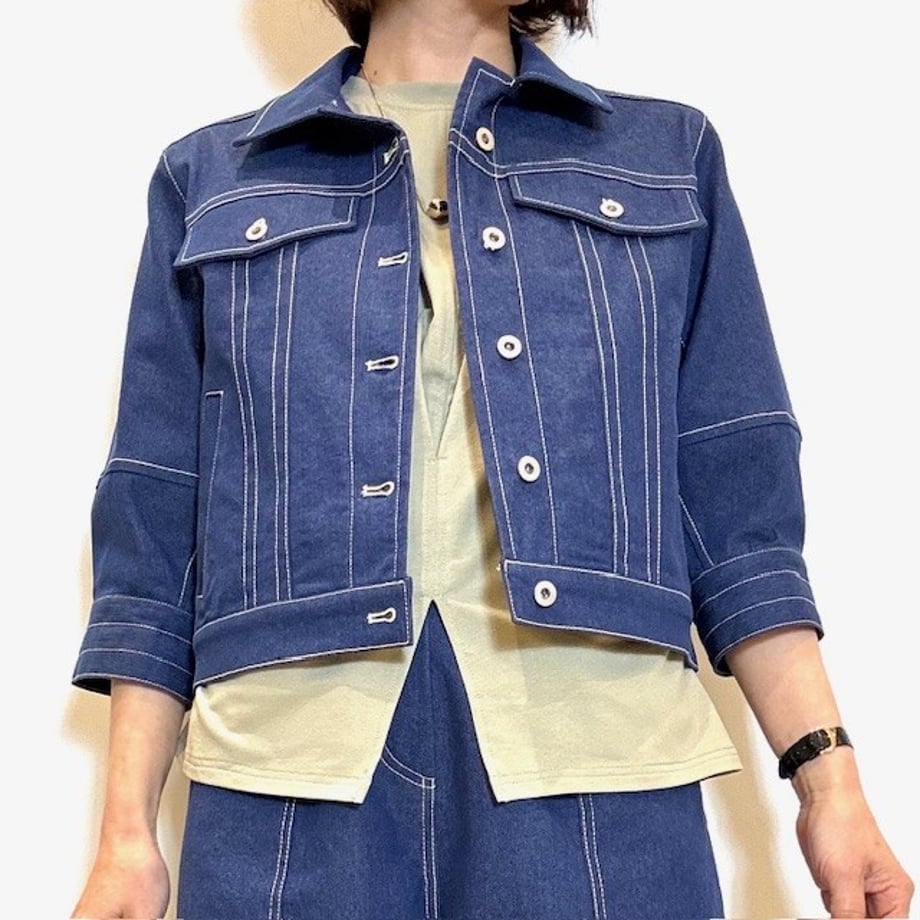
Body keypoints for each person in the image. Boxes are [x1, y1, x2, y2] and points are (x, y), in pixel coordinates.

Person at [70, 0, 914, 917]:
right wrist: (125, 834)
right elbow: (157, 518)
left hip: (599, 767)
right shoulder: (211, 178)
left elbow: (735, 503)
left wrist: (828, 783)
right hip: (287, 780)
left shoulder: (666, 156)